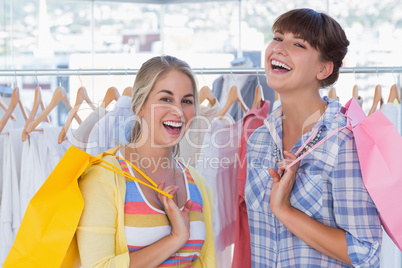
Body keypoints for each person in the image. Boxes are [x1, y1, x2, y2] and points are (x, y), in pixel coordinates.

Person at [245, 8, 382, 267]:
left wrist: (284, 210)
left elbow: (366, 254)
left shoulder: (344, 141)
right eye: (277, 38)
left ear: (323, 69)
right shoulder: (259, 141)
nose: (279, 49)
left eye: (298, 44)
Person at [77, 55, 216, 268]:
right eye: (166, 99)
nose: (178, 111)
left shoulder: (197, 183)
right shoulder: (102, 178)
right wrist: (176, 237)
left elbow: (206, 262)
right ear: (140, 106)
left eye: (186, 101)